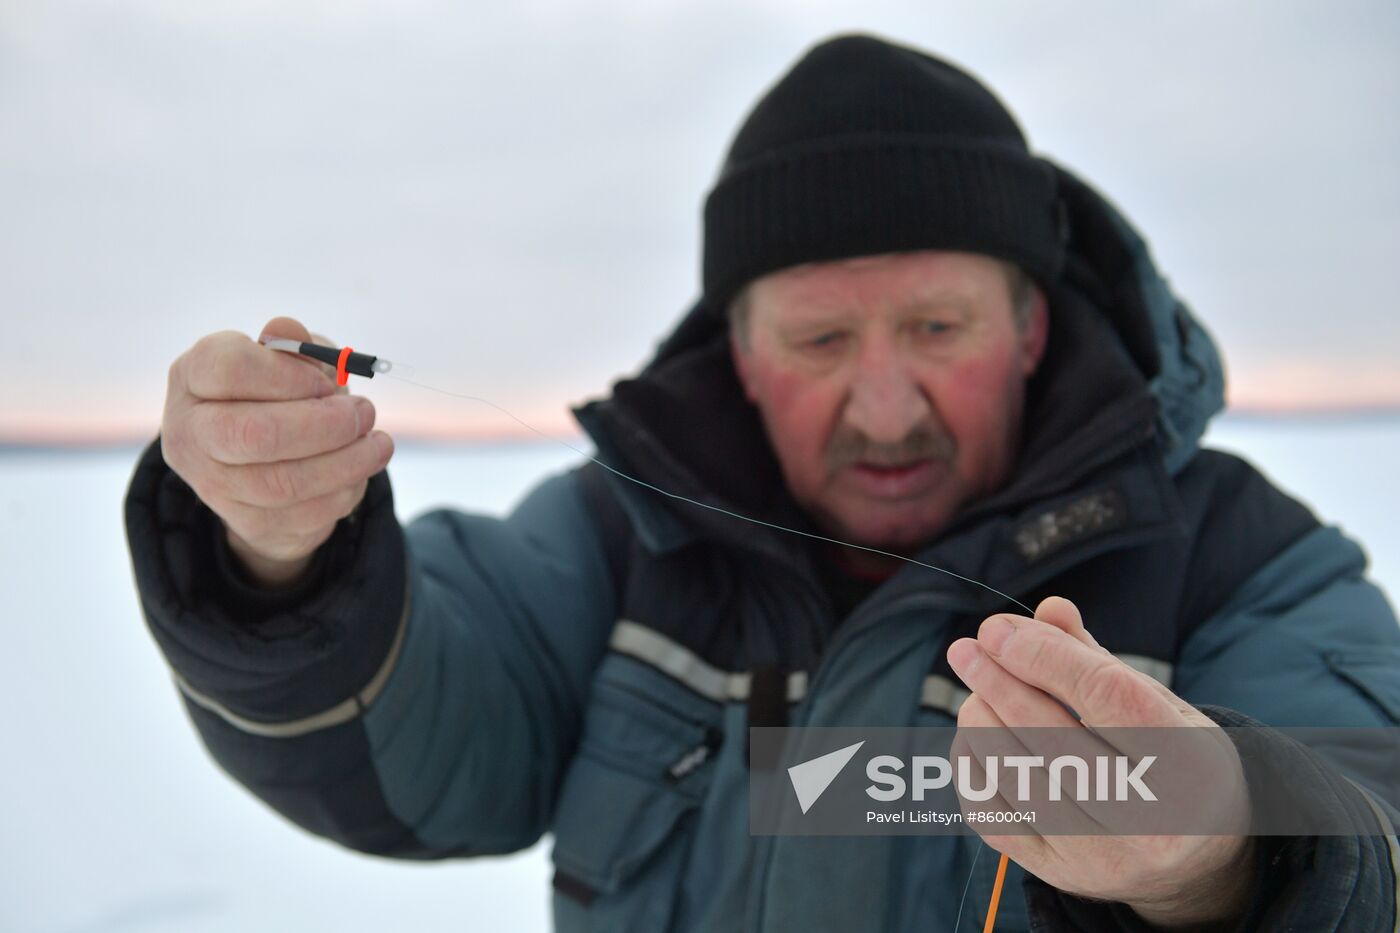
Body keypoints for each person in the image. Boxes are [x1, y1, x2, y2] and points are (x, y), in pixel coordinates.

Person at [124, 33, 1400, 931]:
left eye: (939, 328)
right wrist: (277, 558)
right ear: (739, 355)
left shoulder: (1240, 562)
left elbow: (1375, 814)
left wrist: (1209, 857)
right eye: (820, 340)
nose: (885, 404)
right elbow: (416, 758)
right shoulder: (610, 546)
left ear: (1030, 328)